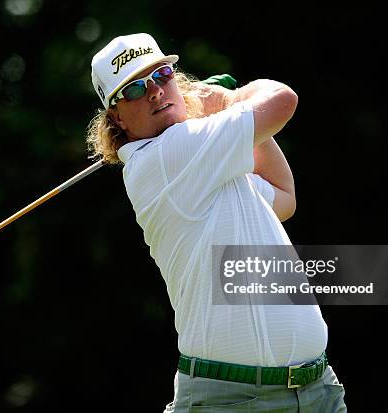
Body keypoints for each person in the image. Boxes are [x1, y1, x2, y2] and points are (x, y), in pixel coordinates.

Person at [87, 33, 347, 412]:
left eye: (161, 75)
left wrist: (221, 116)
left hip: (316, 391)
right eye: (135, 89)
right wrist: (225, 100)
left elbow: (283, 196)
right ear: (117, 118)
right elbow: (282, 100)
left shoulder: (206, 161)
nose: (155, 92)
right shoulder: (164, 157)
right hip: (233, 400)